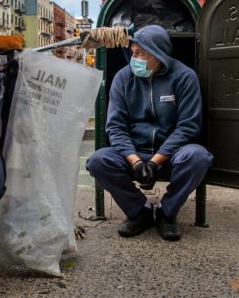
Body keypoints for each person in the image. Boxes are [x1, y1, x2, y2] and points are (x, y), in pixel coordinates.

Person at [86, 25, 213, 241]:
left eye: (140, 53)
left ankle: (167, 212)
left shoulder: (184, 77)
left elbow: (188, 127)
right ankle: (139, 211)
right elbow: (115, 127)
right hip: (134, 153)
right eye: (133, 52)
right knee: (98, 161)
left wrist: (155, 162)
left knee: (199, 157)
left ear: (158, 55)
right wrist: (136, 162)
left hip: (171, 155)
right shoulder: (123, 78)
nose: (133, 58)